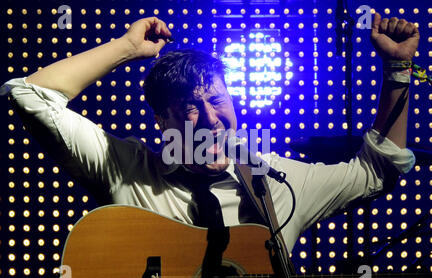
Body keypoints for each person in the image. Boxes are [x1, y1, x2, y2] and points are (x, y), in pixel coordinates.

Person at [1, 14, 418, 259]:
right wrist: (126, 47)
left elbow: (376, 171)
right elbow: (30, 94)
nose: (212, 121)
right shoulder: (126, 168)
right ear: (163, 121)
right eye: (189, 110)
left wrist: (398, 72)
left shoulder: (278, 183)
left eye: (218, 101)